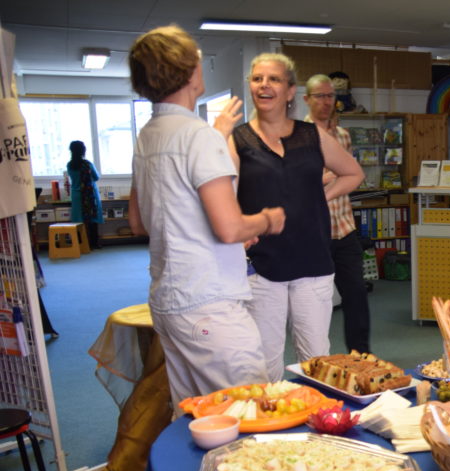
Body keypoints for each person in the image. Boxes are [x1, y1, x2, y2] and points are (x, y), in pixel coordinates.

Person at [127, 25, 286, 406]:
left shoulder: (148, 134)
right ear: (190, 73)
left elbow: (139, 222)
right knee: (251, 408)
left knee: (198, 415)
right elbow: (230, 227)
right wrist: (265, 219)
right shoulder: (199, 136)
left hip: (169, 300)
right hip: (209, 304)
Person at [229, 54, 364, 381]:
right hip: (262, 268)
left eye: (273, 79)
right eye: (257, 78)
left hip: (313, 265)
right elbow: (224, 198)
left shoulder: (312, 136)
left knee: (316, 360)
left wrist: (319, 195)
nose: (264, 85)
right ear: (250, 87)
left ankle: (319, 428)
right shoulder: (238, 140)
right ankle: (269, 430)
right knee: (265, 363)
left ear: (290, 91)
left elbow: (352, 173)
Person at [303, 73, 371, 353]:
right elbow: (301, 182)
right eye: (319, 96)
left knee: (356, 295)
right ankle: (317, 358)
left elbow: (351, 177)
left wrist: (335, 175)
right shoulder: (297, 135)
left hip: (344, 228)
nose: (325, 102)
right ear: (306, 99)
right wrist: (333, 174)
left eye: (330, 96)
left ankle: (361, 355)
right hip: (313, 233)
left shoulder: (343, 136)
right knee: (314, 302)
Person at [67, 141, 103, 250]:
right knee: (93, 218)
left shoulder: (70, 165)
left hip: (77, 195)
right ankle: (94, 243)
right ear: (83, 151)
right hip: (90, 194)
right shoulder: (88, 164)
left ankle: (80, 243)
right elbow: (96, 177)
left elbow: (72, 179)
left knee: (78, 220)